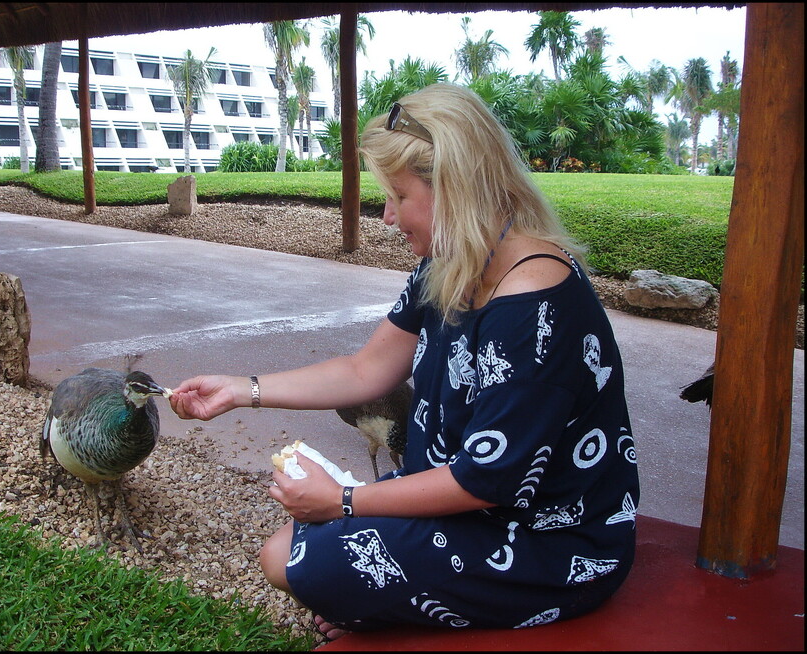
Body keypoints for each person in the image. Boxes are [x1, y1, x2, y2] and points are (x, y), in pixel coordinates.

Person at [169, 83, 639, 640]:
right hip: (461, 503)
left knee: (289, 559)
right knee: (290, 549)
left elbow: (483, 482)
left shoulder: (533, 305)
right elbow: (366, 369)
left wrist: (343, 502)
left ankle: (404, 608)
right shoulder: (452, 263)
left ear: (454, 187)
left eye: (398, 195)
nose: (388, 216)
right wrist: (239, 389)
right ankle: (399, 602)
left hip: (546, 540)